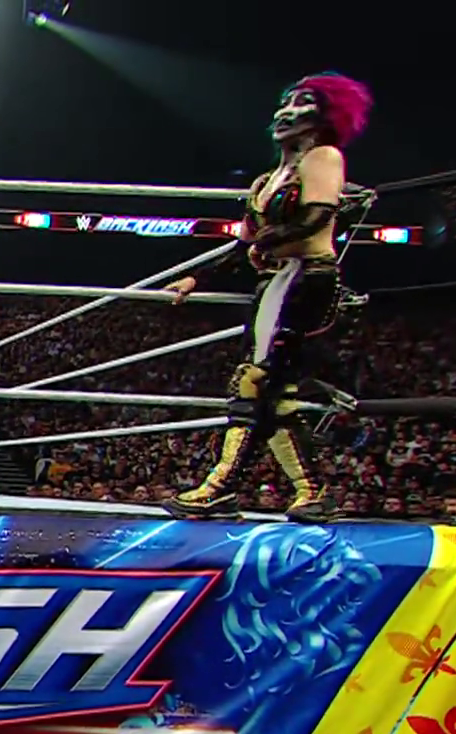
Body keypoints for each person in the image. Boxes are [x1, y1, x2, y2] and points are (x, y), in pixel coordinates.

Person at [160, 74, 375, 524]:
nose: (286, 111)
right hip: (274, 283)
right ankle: (309, 491)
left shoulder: (323, 157)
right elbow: (242, 246)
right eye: (285, 101)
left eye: (303, 102)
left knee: (254, 380)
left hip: (306, 279)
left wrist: (266, 243)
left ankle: (222, 486)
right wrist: (195, 279)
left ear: (325, 115)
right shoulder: (265, 181)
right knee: (275, 391)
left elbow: (316, 218)